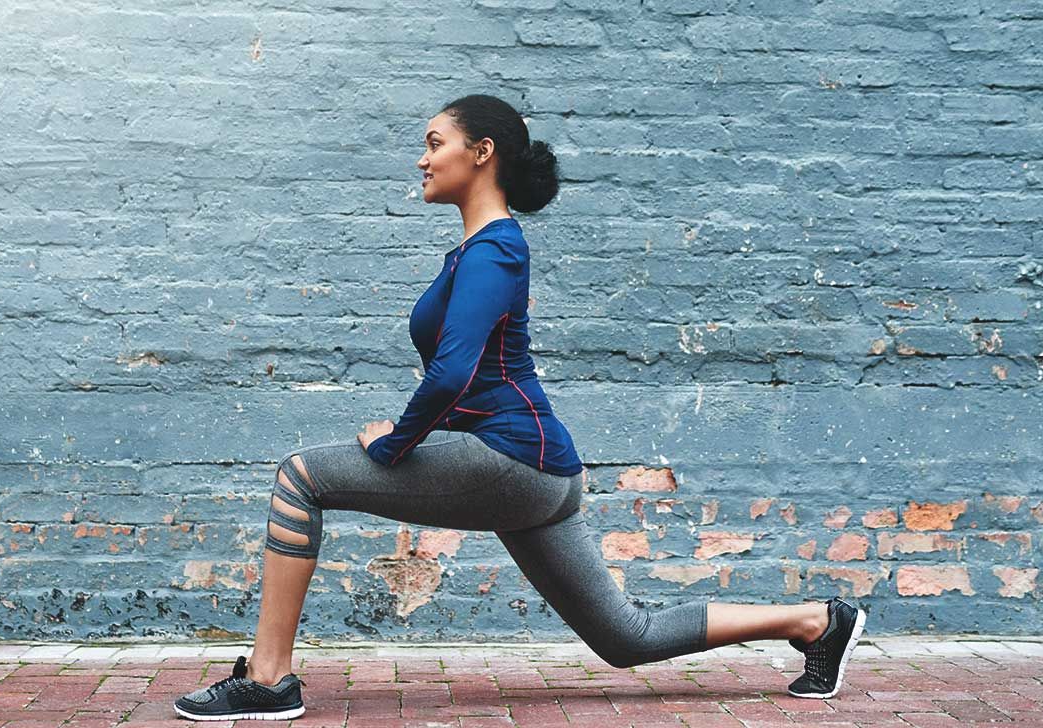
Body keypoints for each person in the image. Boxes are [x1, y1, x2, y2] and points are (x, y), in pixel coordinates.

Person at [173, 94, 867, 721]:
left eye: (434, 140)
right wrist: (418, 425)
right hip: (536, 466)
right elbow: (477, 378)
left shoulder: (496, 249)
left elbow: (450, 373)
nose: (422, 157)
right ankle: (816, 621)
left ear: (482, 154)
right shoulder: (482, 250)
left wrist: (396, 443)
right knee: (628, 637)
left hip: (514, 461)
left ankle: (269, 681)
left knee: (300, 477)